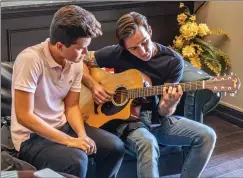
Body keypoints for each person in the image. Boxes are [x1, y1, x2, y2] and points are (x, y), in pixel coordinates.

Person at [82, 12, 217, 178]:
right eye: (133, 48)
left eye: (144, 41)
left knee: (207, 135)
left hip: (156, 119)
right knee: (148, 142)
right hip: (125, 120)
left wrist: (169, 103)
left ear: (150, 31)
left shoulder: (172, 61)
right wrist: (93, 85)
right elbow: (82, 60)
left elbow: (163, 113)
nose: (143, 50)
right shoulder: (117, 53)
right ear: (125, 47)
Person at [11, 5, 125, 178]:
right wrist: (71, 141)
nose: (86, 53)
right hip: (31, 137)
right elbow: (24, 116)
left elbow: (71, 106)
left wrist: (82, 136)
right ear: (59, 45)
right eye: (81, 48)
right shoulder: (30, 60)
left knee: (114, 147)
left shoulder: (76, 62)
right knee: (77, 160)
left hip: (63, 126)